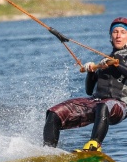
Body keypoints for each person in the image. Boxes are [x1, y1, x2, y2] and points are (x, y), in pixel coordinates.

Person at [43, 17, 127, 152]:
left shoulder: (118, 60)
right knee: (54, 113)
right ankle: (47, 152)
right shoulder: (104, 60)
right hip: (96, 102)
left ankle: (94, 145)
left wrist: (117, 64)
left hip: (120, 105)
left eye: (123, 32)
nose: (118, 35)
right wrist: (91, 72)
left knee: (104, 105)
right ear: (110, 36)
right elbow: (89, 91)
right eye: (115, 32)